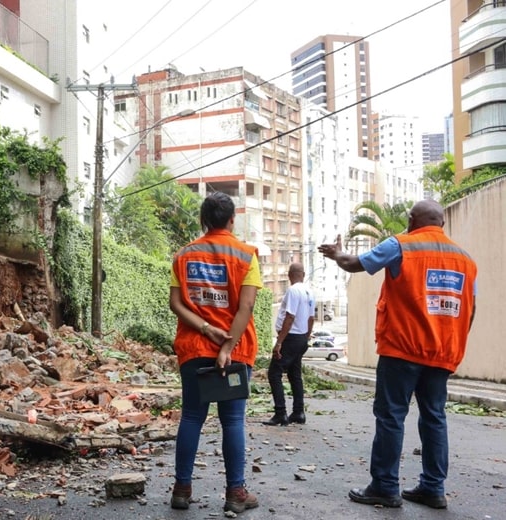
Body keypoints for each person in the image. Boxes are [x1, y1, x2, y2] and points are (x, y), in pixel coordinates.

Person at [318, 199, 477, 510]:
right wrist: (450, 342)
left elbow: (356, 264)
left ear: (411, 219)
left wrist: (337, 255)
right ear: (442, 224)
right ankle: (433, 488)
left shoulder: (401, 245)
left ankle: (385, 485)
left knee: (391, 415)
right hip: (441, 353)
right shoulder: (466, 260)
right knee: (434, 418)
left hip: (402, 349)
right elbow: (470, 311)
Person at [168, 192, 261, 514]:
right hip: (236, 353)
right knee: (232, 421)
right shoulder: (247, 255)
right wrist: (227, 346)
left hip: (194, 348)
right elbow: (246, 306)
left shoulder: (183, 256)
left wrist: (206, 330)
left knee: (192, 417)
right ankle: (235, 493)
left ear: (202, 220)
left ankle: (181, 489)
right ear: (232, 219)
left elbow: (176, 305)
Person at [263, 262, 315, 426]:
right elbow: (311, 318)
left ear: (289, 275)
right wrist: (306, 337)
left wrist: (279, 342)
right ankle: (299, 412)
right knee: (294, 374)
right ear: (303, 274)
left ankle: (281, 413)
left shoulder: (293, 291)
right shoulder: (309, 292)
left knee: (274, 373)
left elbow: (290, 316)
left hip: (291, 337)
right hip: (301, 337)